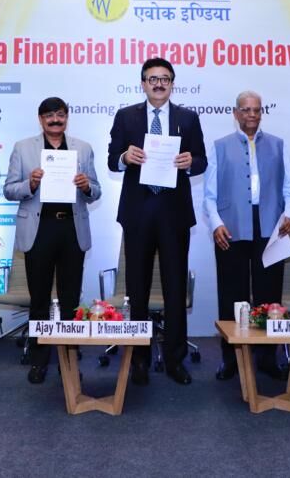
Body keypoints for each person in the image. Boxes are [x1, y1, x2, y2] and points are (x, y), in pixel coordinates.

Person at [108, 57, 207, 385]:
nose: (159, 84)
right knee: (137, 288)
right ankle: (139, 359)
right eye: (153, 79)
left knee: (175, 288)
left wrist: (191, 162)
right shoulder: (126, 116)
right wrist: (125, 157)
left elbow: (202, 161)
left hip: (174, 214)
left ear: (172, 84)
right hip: (137, 213)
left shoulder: (188, 118)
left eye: (165, 78)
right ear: (143, 84)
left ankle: (175, 360)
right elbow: (111, 160)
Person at [204, 90, 290, 381]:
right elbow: (209, 195)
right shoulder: (220, 146)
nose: (251, 115)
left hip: (270, 227)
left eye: (256, 110)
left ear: (261, 113)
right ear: (236, 113)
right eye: (246, 110)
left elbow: (289, 190)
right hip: (230, 228)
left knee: (268, 296)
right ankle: (231, 359)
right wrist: (216, 224)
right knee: (231, 296)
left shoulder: (278, 145)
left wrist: (289, 215)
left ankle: (268, 358)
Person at [4, 97, 101, 384]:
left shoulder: (83, 148)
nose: (55, 120)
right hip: (39, 229)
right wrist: (31, 183)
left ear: (67, 117)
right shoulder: (23, 147)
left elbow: (96, 191)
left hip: (71, 228)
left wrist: (86, 186)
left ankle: (69, 358)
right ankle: (39, 359)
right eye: (49, 115)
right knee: (39, 300)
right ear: (40, 119)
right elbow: (9, 190)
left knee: (70, 300)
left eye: (60, 114)